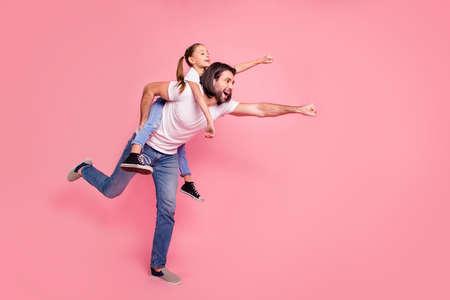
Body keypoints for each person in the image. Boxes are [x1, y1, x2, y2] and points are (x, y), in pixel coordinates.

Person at [67, 62, 317, 285]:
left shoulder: (222, 107)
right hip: (145, 147)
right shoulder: (185, 91)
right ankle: (85, 168)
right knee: (112, 191)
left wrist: (296, 109)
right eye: (227, 80)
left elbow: (261, 109)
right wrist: (143, 124)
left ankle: (157, 266)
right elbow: (149, 89)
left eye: (233, 82)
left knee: (167, 209)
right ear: (212, 79)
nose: (231, 85)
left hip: (168, 158)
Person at [120, 43, 273, 201]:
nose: (207, 55)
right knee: (150, 125)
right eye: (202, 53)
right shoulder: (192, 75)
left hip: (180, 118)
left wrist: (258, 61)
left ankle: (188, 182)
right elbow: (199, 98)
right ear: (191, 60)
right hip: (163, 104)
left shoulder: (208, 74)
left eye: (207, 52)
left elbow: (234, 69)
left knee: (179, 145)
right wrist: (210, 122)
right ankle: (134, 153)